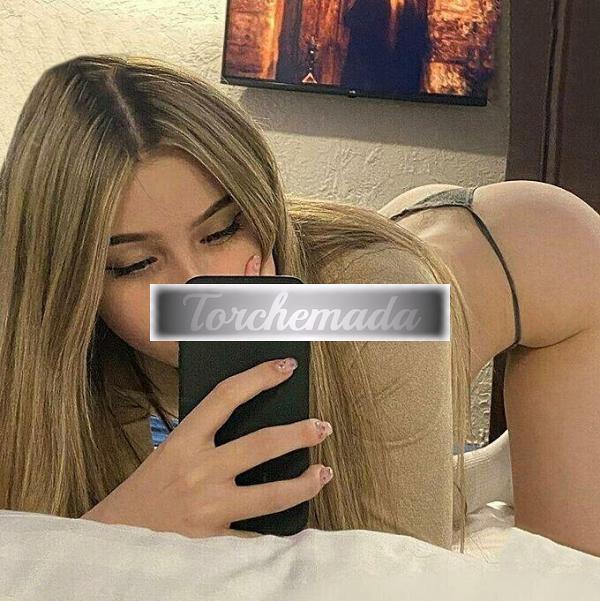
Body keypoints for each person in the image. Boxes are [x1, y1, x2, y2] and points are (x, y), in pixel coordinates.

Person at [1, 55, 599, 557]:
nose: (197, 291)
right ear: (66, 281)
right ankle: (479, 471)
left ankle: (481, 472)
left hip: (543, 258)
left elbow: (396, 590)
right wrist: (108, 533)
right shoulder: (36, 347)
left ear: (261, 205)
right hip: (380, 257)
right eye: (134, 264)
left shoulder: (370, 307)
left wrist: (105, 551)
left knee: (566, 582)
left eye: (223, 230)